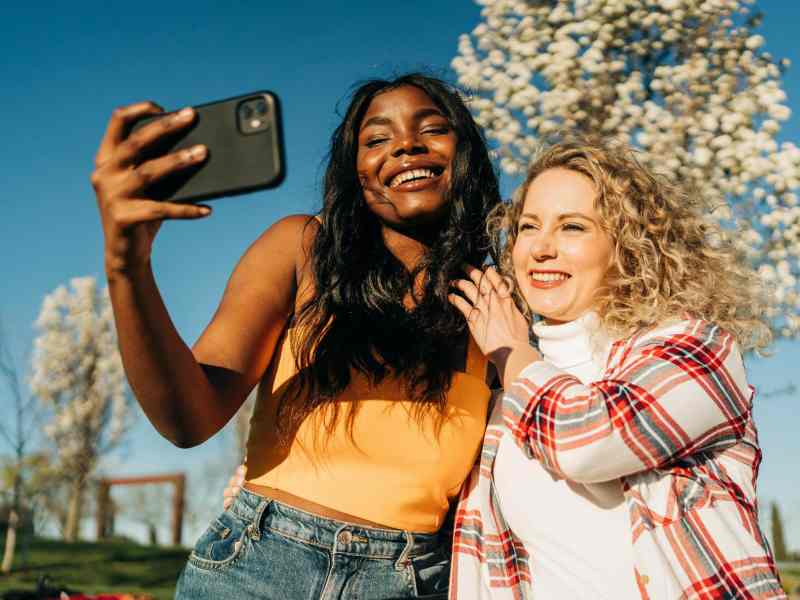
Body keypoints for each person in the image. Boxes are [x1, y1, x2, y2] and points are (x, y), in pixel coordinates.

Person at [90, 73, 500, 599]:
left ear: (465, 151)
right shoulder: (302, 248)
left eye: (433, 128)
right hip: (256, 567)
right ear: (355, 172)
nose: (405, 144)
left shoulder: (495, 300)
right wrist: (128, 265)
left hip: (411, 577)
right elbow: (187, 420)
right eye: (376, 139)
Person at [447, 138, 785, 599]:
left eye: (572, 227)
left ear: (627, 245)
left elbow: (585, 440)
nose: (541, 248)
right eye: (529, 226)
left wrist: (508, 347)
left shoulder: (697, 349)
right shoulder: (507, 394)